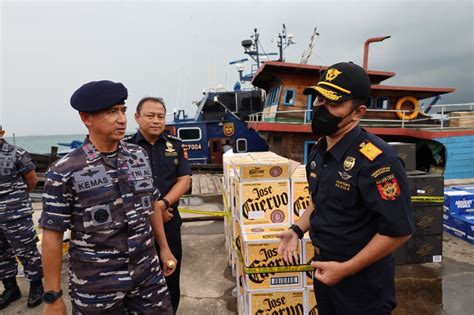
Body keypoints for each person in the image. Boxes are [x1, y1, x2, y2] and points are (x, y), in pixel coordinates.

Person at [277, 62, 415, 315]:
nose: (321, 108)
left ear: (358, 112)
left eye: (334, 104)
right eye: (319, 99)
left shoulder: (378, 160)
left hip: (362, 282)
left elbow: (398, 231)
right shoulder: (319, 150)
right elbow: (321, 202)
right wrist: (296, 229)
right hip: (324, 270)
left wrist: (347, 268)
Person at [39, 81, 176, 315]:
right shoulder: (64, 171)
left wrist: (164, 248)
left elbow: (151, 205)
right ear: (86, 118)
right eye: (111, 112)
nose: (121, 119)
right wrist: (53, 298)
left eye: (122, 110)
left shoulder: (138, 156)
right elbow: (52, 236)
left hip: (147, 277)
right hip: (96, 287)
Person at [126, 97, 191, 314]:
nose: (156, 121)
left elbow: (184, 180)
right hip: (135, 227)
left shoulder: (176, 146)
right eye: (150, 116)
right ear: (137, 117)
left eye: (160, 116)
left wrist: (162, 205)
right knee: (135, 281)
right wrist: (151, 213)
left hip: (170, 220)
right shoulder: (125, 148)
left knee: (170, 275)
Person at [0, 126, 43, 310]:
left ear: (1, 133)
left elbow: (32, 180)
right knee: (2, 255)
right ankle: (11, 288)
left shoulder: (17, 153)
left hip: (15, 214)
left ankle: (36, 286)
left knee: (27, 252)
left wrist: (16, 200)